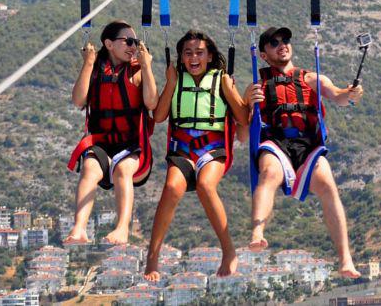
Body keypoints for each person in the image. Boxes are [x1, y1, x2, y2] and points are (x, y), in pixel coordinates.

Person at [245, 26, 364, 279]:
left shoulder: (312, 79)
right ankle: (257, 232)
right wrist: (247, 103)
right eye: (274, 42)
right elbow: (244, 133)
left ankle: (346, 259)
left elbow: (339, 97)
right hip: (275, 143)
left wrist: (351, 94)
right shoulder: (258, 85)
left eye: (285, 40)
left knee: (328, 185)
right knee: (269, 173)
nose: (282, 44)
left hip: (307, 145)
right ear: (264, 54)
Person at [144, 30, 250, 281]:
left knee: (205, 185)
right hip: (182, 148)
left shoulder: (221, 80)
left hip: (213, 148)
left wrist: (230, 88)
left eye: (199, 52)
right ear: (180, 57)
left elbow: (243, 118)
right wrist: (169, 83)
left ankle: (228, 251)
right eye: (188, 53)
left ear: (210, 56)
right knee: (171, 188)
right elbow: (158, 117)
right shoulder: (176, 79)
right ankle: (152, 257)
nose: (193, 57)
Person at [66, 20, 158, 245]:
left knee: (122, 169)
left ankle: (122, 229)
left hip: (133, 147)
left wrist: (146, 67)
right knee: (89, 167)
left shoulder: (136, 71)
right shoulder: (96, 70)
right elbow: (79, 100)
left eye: (135, 42)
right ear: (108, 44)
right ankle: (79, 229)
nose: (133, 46)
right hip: (102, 144)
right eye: (128, 41)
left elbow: (152, 102)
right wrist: (87, 64)